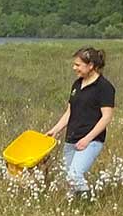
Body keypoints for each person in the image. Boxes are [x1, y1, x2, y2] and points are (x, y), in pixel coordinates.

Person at [46, 47, 115, 199]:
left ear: (90, 65)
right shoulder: (77, 84)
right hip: (71, 138)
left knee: (74, 175)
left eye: (78, 65)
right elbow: (69, 112)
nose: (74, 68)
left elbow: (106, 117)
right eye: (74, 64)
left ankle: (87, 204)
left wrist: (87, 139)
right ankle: (75, 208)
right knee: (69, 180)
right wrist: (55, 130)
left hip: (91, 141)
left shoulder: (104, 87)